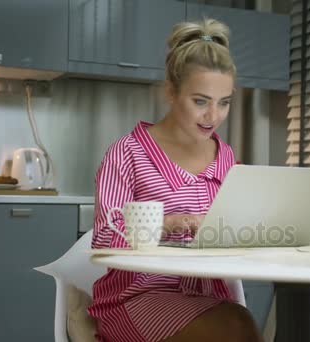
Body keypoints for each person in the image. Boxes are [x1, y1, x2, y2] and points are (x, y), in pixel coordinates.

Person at [87, 19, 263, 342]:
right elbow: (104, 238)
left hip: (211, 300)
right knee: (235, 329)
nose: (213, 116)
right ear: (171, 91)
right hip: (136, 298)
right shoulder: (127, 154)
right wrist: (169, 223)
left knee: (242, 325)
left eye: (223, 102)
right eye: (200, 101)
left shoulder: (227, 160)